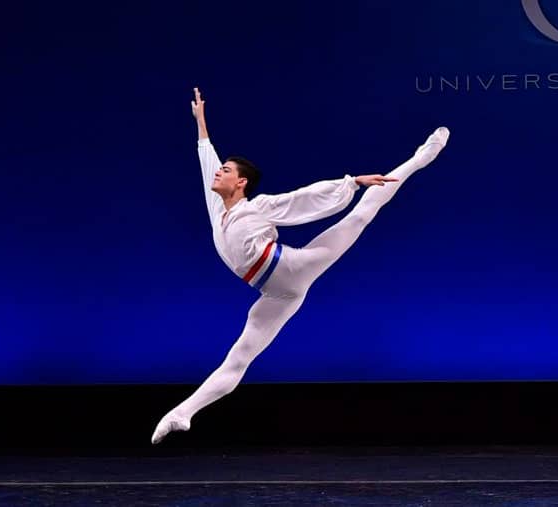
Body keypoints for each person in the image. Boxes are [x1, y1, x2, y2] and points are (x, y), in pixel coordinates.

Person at [151, 87, 449, 444]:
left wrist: (351, 182)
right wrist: (201, 124)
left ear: (241, 182)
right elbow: (207, 164)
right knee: (239, 357)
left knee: (361, 215)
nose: (218, 174)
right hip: (274, 294)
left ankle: (419, 157)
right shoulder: (219, 211)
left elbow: (302, 199)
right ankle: (182, 413)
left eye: (226, 171)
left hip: (293, 267)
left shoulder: (256, 207)